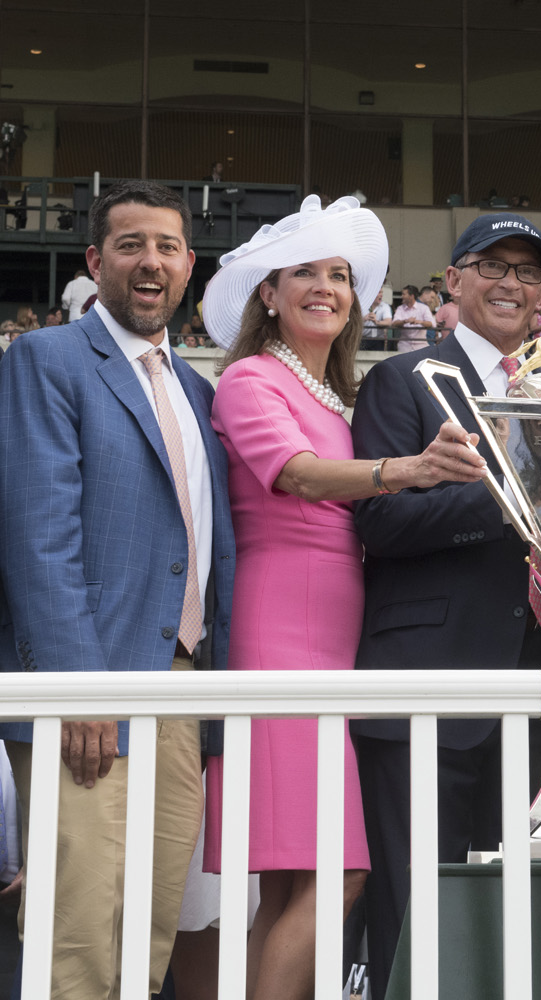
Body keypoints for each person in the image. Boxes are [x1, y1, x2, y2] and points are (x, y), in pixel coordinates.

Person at [195, 195, 484, 998]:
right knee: (341, 870)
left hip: (333, 637)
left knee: (293, 879)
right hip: (277, 629)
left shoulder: (333, 393)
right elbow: (292, 474)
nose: (325, 288)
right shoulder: (251, 378)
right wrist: (406, 471)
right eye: (305, 275)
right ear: (268, 293)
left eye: (339, 276)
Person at [0, 179, 237, 1000]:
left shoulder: (196, 390)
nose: (151, 261)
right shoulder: (48, 359)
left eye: (167, 247)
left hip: (181, 687)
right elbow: (38, 536)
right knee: (80, 926)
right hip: (93, 686)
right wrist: (79, 689)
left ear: (188, 268)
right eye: (131, 245)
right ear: (96, 262)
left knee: (149, 924)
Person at [348, 212, 541, 1000]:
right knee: (414, 911)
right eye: (492, 266)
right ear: (454, 280)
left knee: (514, 909)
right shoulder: (402, 380)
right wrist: (508, 491)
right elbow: (379, 523)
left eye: (529, 273)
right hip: (424, 685)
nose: (511, 284)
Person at [388, 283, 434, 353]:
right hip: (404, 346)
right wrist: (405, 321)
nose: (401, 296)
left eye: (404, 294)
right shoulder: (400, 308)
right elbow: (394, 323)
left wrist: (419, 322)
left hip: (421, 346)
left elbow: (431, 323)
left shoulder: (424, 308)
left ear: (411, 296)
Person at [362, 286, 392, 350]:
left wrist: (376, 322)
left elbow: (388, 322)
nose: (381, 295)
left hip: (378, 340)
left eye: (382, 292)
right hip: (363, 339)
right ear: (372, 294)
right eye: (379, 292)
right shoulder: (363, 305)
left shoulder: (385, 306)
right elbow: (352, 322)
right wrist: (363, 319)